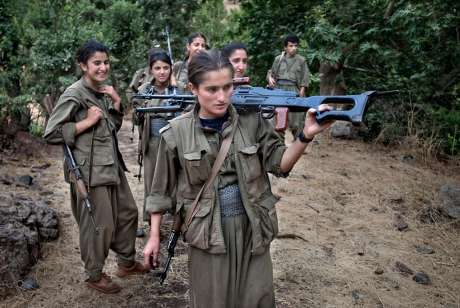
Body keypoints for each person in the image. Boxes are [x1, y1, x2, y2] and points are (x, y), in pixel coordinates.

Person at [142, 49, 332, 307]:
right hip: (208, 233)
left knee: (257, 299)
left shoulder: (251, 121)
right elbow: (159, 192)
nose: (222, 97)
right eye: (211, 89)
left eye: (227, 87)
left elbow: (279, 163)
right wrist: (154, 236)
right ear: (193, 88)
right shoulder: (176, 133)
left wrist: (306, 135)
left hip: (252, 226)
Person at [44, 39, 147, 294]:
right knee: (99, 225)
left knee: (128, 213)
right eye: (96, 63)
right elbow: (51, 133)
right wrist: (85, 123)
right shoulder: (75, 94)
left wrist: (115, 103)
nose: (103, 67)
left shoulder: (101, 91)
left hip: (111, 166)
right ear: (83, 65)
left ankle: (125, 263)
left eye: (106, 62)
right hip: (90, 171)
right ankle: (94, 275)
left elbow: (110, 127)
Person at [132, 50, 175, 224]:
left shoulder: (177, 89)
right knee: (152, 183)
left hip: (174, 142)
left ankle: (176, 221)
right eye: (157, 68)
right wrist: (140, 112)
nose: (162, 71)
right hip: (153, 142)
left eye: (166, 67)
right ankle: (151, 222)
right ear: (151, 70)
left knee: (175, 181)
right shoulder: (144, 90)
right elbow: (135, 119)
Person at [267, 34, 310, 137]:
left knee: (296, 121)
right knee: (278, 120)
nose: (294, 48)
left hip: (293, 91)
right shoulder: (278, 59)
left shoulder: (301, 60)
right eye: (291, 46)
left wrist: (301, 93)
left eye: (295, 46)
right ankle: (278, 145)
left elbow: (305, 77)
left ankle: (298, 144)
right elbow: (271, 73)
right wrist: (270, 78)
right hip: (279, 91)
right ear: (285, 48)